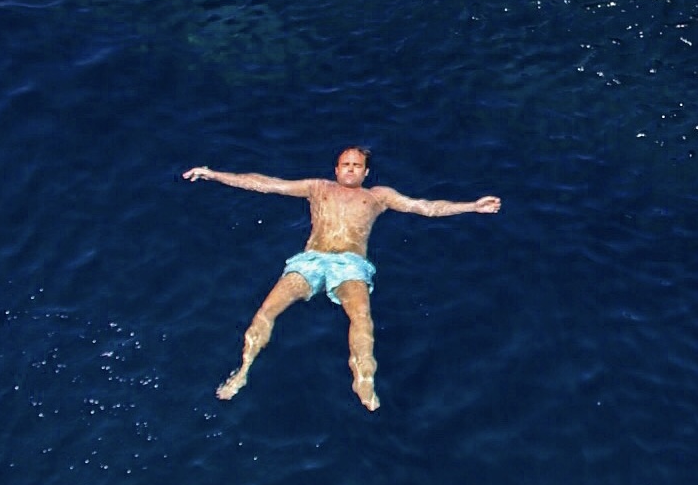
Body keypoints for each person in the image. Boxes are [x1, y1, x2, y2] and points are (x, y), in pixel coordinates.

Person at [183, 146, 500, 411]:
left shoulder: (378, 196)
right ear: (336, 169)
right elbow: (265, 183)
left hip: (350, 264)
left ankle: (364, 380)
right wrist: (213, 174)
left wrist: (472, 206)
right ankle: (243, 371)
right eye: (345, 165)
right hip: (311, 260)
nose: (350, 170)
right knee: (266, 311)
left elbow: (425, 207)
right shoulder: (318, 188)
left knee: (361, 316)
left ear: (365, 173)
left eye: (356, 166)